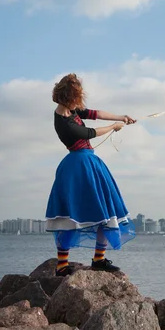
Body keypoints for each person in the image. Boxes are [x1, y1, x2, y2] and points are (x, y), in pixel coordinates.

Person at [45, 73, 136, 276]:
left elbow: (95, 114)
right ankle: (63, 265)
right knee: (76, 213)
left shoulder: (70, 110)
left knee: (102, 209)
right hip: (80, 165)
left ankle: (98, 259)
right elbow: (89, 133)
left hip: (85, 163)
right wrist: (114, 127)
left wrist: (121, 117)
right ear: (67, 97)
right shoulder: (63, 121)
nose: (79, 102)